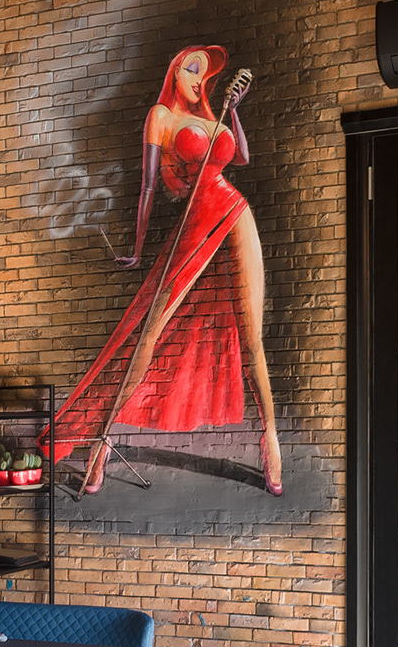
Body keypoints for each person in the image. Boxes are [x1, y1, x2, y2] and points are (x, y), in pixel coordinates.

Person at [46, 45, 282, 495]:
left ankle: (270, 440)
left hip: (235, 212)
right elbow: (149, 188)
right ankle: (100, 443)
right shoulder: (160, 116)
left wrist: (234, 112)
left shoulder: (214, 116)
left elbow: (242, 159)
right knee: (147, 338)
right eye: (191, 69)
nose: (197, 79)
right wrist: (137, 251)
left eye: (203, 74)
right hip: (196, 222)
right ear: (174, 72)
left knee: (251, 336)